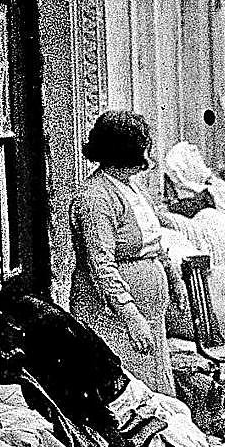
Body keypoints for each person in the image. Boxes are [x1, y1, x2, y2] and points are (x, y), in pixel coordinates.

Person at [70, 110, 184, 396]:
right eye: (144, 147)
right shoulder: (95, 197)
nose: (149, 155)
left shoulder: (130, 187)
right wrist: (131, 316)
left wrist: (174, 280)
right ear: (127, 150)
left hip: (148, 314)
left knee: (154, 388)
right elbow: (101, 264)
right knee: (127, 391)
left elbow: (155, 244)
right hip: (111, 315)